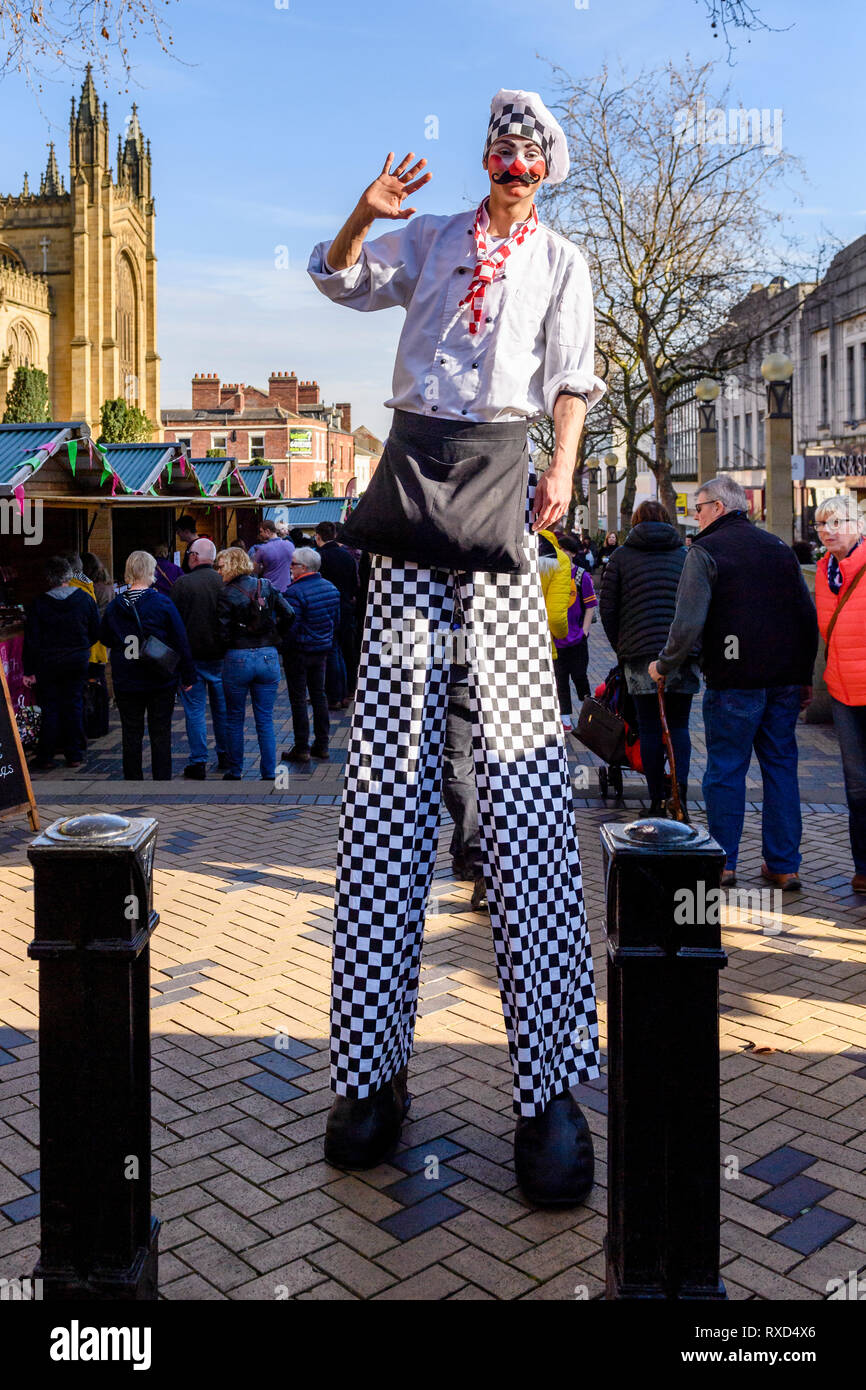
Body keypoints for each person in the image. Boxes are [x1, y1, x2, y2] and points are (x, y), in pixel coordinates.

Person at [307, 87, 604, 1205]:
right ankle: (368, 1072)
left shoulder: (564, 263)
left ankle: (549, 1092)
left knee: (524, 795)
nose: (512, 165)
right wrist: (356, 211)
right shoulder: (430, 237)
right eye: (501, 150)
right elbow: (338, 279)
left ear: (546, 171)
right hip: (408, 506)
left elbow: (570, 380)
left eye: (530, 155)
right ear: (484, 159)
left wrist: (562, 475)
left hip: (497, 504)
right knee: (384, 793)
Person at [648, 477, 818, 889]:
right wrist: (804, 674)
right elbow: (806, 616)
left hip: (734, 679)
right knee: (781, 769)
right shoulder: (779, 549)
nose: (695, 516)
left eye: (699, 507)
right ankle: (783, 865)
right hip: (783, 680)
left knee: (725, 770)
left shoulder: (706, 551)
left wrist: (664, 664)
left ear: (719, 508)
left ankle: (722, 862)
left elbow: (687, 621)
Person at [599, 499, 699, 816]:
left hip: (639, 655)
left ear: (636, 522)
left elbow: (608, 609)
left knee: (650, 728)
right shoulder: (685, 557)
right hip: (681, 653)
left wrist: (622, 647)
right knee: (680, 726)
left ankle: (656, 799)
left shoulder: (621, 557)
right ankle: (678, 796)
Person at [100, 550, 195, 780]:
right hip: (159, 677)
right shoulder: (162, 602)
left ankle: (133, 779)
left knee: (131, 732)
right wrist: (188, 675)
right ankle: (161, 779)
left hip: (126, 677)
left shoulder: (115, 606)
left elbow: (104, 637)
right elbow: (180, 639)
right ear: (150, 571)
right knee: (160, 732)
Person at [814, 495, 866, 893]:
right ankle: (863, 867)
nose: (828, 531)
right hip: (842, 690)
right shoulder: (822, 570)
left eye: (836, 522)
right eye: (821, 524)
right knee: (856, 785)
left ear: (858, 524)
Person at [216, 546, 294, 781]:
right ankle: (269, 771)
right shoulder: (266, 586)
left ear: (230, 565)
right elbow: (289, 613)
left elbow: (221, 631)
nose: (218, 571)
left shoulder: (227, 593)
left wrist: (231, 642)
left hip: (238, 656)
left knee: (234, 717)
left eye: (220, 567)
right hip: (267, 654)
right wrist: (275, 636)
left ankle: (235, 770)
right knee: (265, 718)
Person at [22, 556, 99, 770]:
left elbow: (32, 641)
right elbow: (95, 631)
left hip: (48, 662)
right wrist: (82, 647)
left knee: (50, 706)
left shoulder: (39, 605)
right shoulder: (84, 600)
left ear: (48, 578)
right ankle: (74, 754)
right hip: (77, 659)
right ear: (68, 575)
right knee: (74, 703)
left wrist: (29, 670)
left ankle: (46, 755)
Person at [171, 538, 228, 779]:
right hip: (221, 657)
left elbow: (174, 625)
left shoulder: (183, 584)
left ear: (194, 556)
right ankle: (226, 755)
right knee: (222, 709)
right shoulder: (224, 582)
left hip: (191, 659)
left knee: (194, 711)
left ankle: (198, 761)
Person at [281, 547, 341, 763]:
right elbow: (336, 622)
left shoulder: (295, 593)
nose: (290, 567)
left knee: (298, 700)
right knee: (319, 696)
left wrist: (283, 647)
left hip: (299, 652)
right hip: (322, 649)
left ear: (303, 568)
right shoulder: (331, 589)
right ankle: (322, 744)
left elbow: (291, 626)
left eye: (293, 564)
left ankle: (302, 747)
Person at [545, 530, 597, 731]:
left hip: (576, 640)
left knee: (580, 677)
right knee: (560, 680)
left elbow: (591, 604)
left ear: (574, 553)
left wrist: (584, 631)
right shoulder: (550, 573)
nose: (563, 553)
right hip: (556, 640)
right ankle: (565, 719)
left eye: (567, 550)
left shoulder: (581, 576)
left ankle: (590, 715)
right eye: (560, 549)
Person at [315, 520, 359, 705]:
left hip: (327, 608)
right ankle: (348, 691)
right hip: (346, 607)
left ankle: (334, 694)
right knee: (345, 650)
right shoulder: (347, 555)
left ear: (318, 537)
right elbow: (354, 583)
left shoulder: (320, 557)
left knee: (332, 651)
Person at [253, 520, 295, 592]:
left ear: (267, 531)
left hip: (270, 590)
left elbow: (255, 570)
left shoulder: (262, 549)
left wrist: (263, 567)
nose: (260, 534)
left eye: (261, 531)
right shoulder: (290, 545)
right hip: (287, 588)